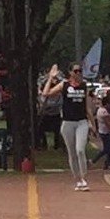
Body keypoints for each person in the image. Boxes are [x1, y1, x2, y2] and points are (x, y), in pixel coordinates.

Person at [42, 63, 93, 191]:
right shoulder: (64, 84)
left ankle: (84, 177)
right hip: (68, 122)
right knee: (72, 153)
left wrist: (93, 123)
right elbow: (46, 93)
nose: (78, 73)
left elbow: (87, 107)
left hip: (81, 121)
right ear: (70, 72)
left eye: (80, 71)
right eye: (76, 71)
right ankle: (77, 179)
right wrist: (50, 78)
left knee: (80, 150)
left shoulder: (84, 86)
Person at [90, 91, 110, 170]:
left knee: (109, 148)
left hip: (102, 131)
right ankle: (94, 160)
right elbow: (108, 123)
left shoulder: (100, 110)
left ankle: (109, 163)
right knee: (107, 149)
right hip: (105, 132)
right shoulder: (104, 112)